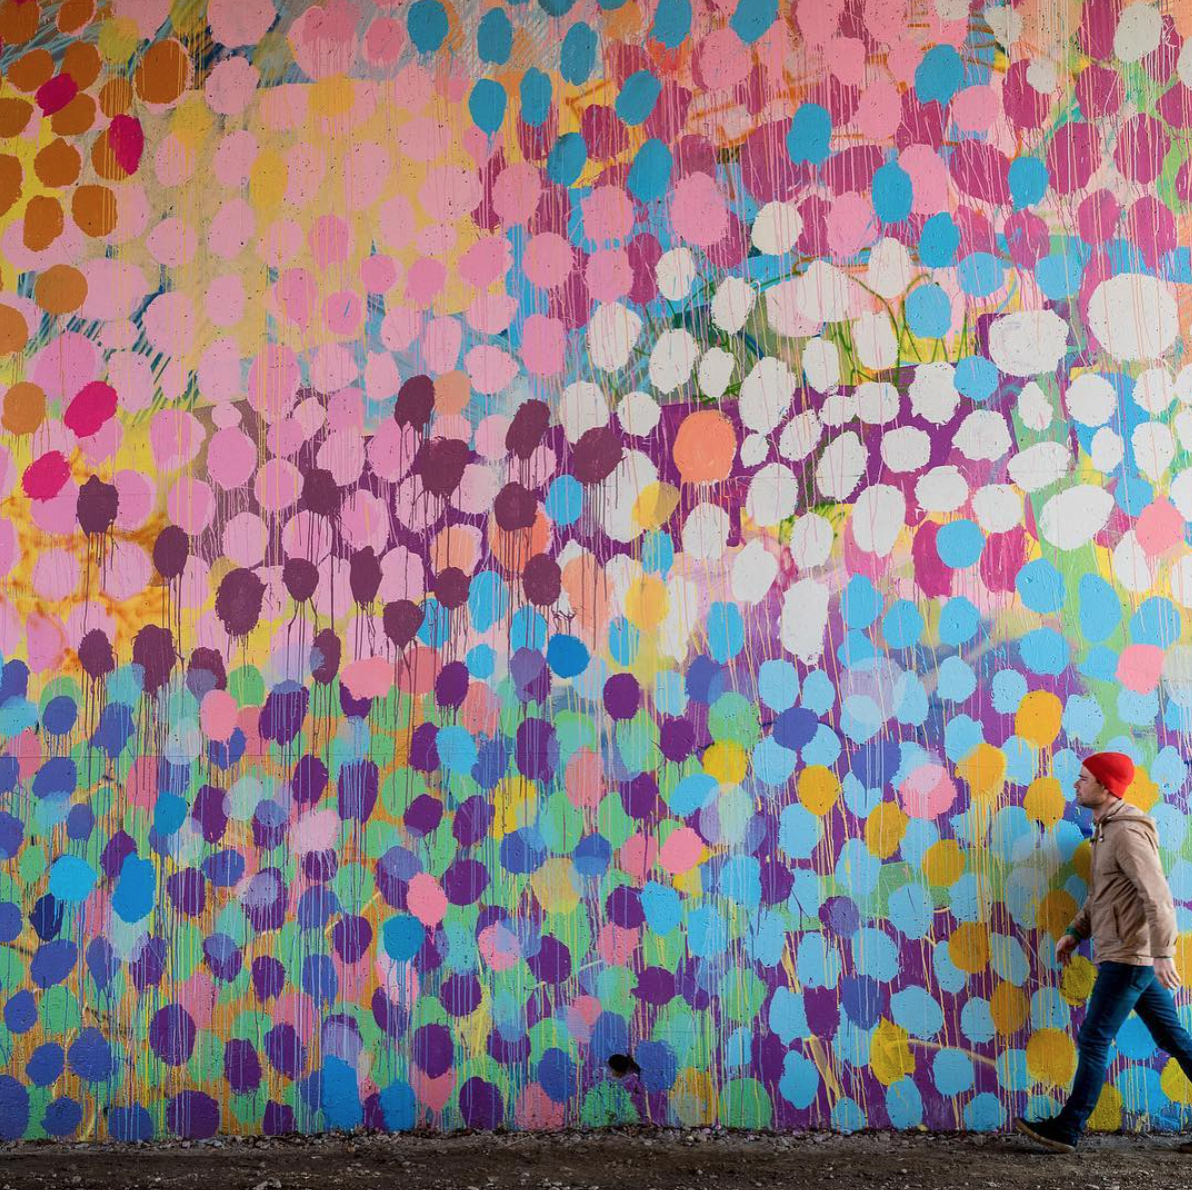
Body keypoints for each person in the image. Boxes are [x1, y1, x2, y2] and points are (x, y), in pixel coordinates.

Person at [1016, 751, 1192, 1153]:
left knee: (1094, 1039)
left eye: (1083, 778)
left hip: (1129, 956)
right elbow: (1103, 895)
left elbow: (1157, 894)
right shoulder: (1104, 831)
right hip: (1127, 955)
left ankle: (1067, 1128)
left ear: (1105, 786)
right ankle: (1068, 1126)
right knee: (1175, 1039)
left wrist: (1164, 952)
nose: (1076, 784)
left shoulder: (1126, 833)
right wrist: (1076, 933)